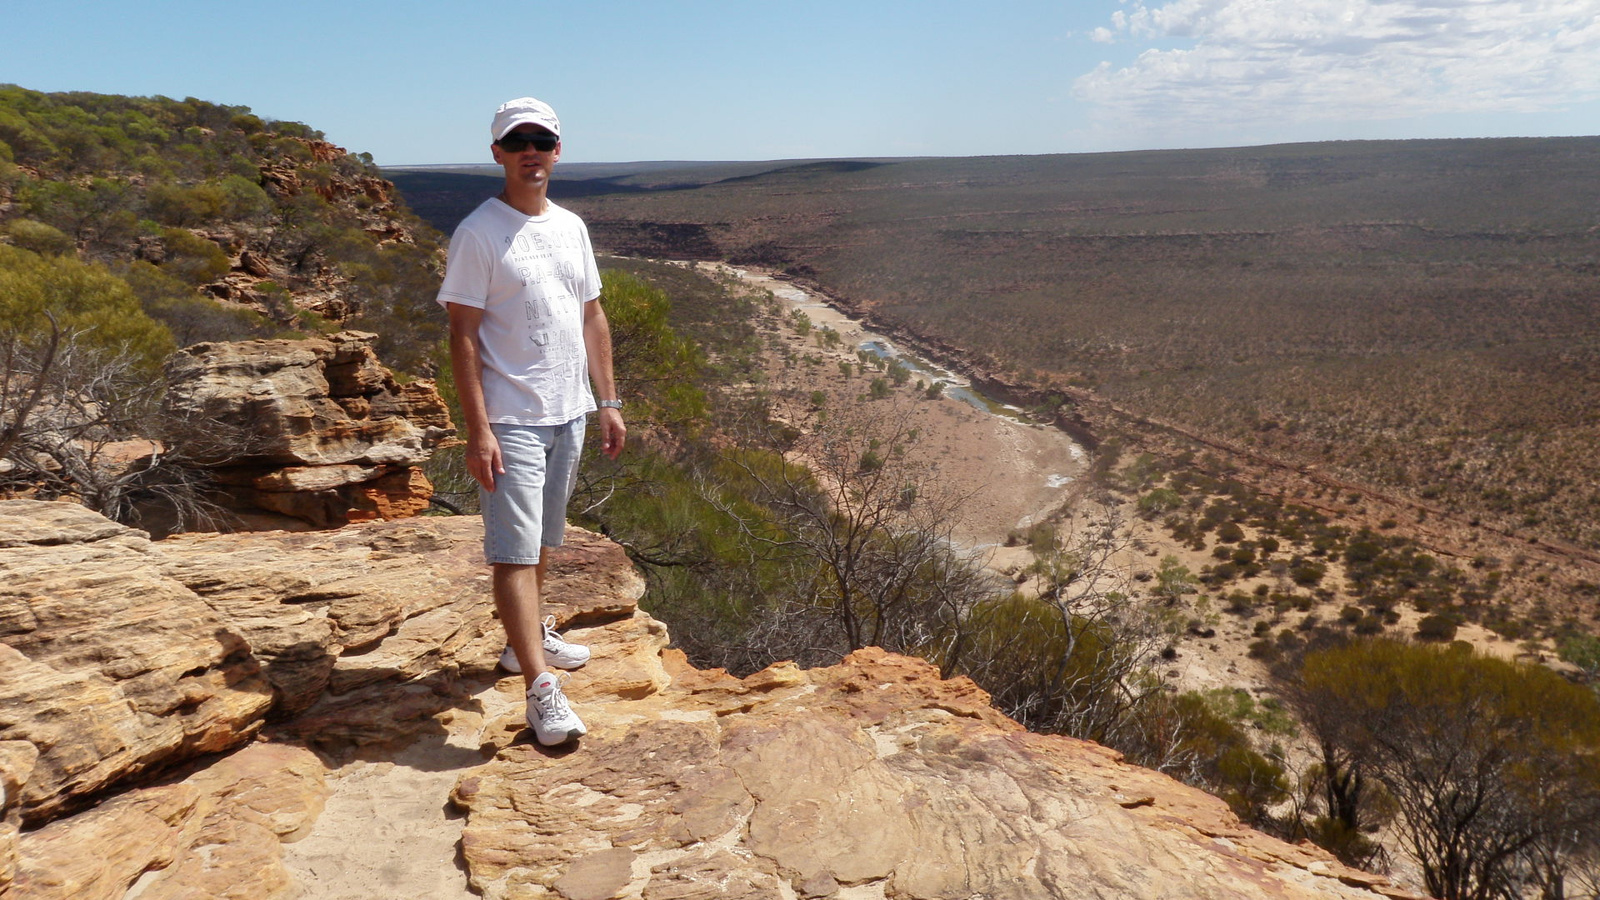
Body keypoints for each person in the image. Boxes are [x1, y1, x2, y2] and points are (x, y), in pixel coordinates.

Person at [437, 96, 626, 746]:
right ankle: (540, 689)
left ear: (556, 151)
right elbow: (462, 337)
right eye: (518, 141)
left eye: (541, 141)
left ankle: (528, 640)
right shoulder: (478, 233)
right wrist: (478, 428)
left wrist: (609, 401)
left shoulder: (571, 228)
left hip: (567, 413)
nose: (531, 151)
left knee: (546, 538)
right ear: (498, 153)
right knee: (514, 552)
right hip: (511, 419)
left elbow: (591, 316)